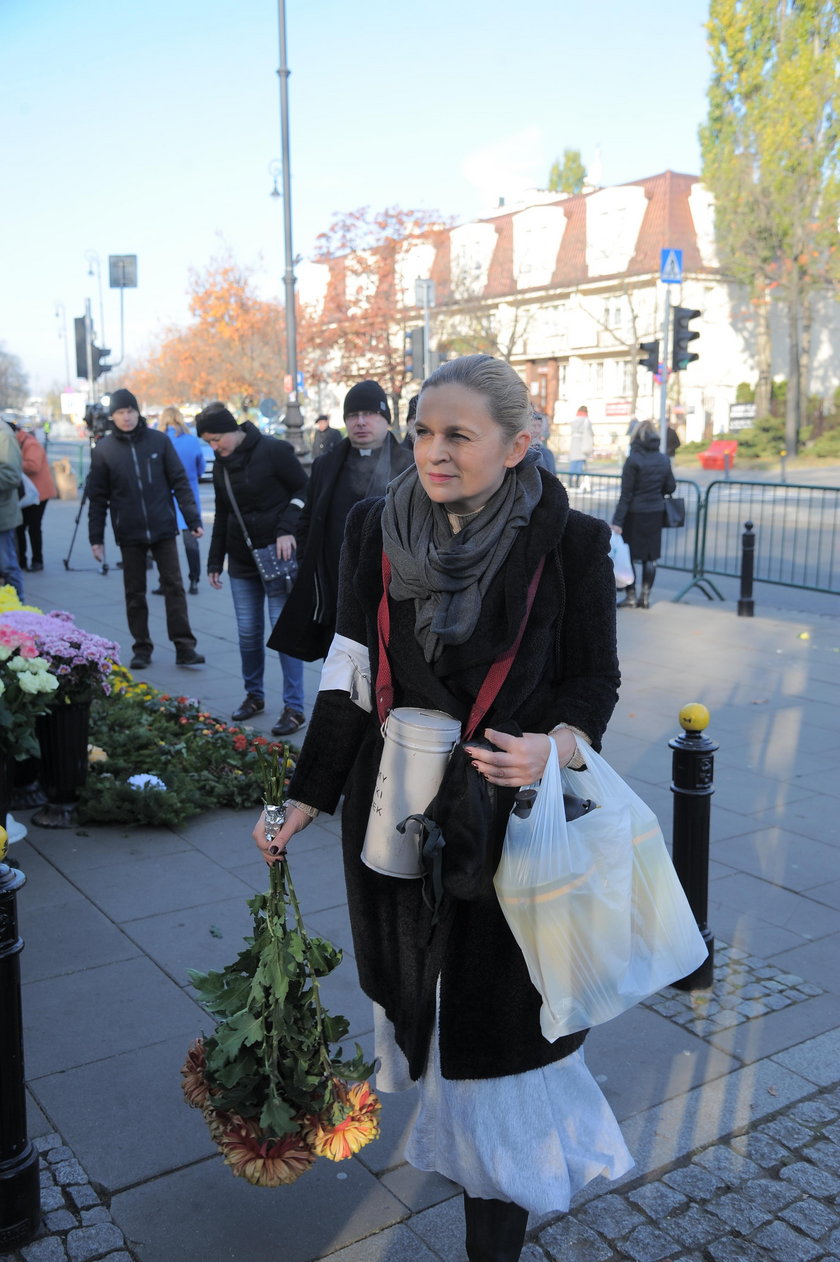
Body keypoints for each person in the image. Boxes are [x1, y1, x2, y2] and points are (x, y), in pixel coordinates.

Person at [253, 354, 631, 1262]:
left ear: (518, 445)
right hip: (396, 819)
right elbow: (346, 676)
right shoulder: (371, 529)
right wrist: (305, 796)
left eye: (458, 435)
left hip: (514, 834)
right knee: (425, 1027)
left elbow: (595, 682)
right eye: (423, 430)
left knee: (500, 1052)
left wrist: (554, 746)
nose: (432, 450)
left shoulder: (572, 543)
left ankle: (491, 1240)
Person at [268, 379, 413, 663]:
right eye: (352, 415)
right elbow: (308, 516)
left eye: (369, 414)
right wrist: (306, 557)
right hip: (333, 591)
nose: (360, 422)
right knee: (336, 675)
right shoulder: (327, 463)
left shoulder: (409, 464)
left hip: (388, 591)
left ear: (386, 419)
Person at [195, 403, 308, 735]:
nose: (215, 448)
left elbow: (305, 489)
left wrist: (287, 527)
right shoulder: (222, 467)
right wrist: (215, 560)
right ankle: (253, 696)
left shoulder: (274, 450)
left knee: (282, 632)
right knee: (248, 633)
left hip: (276, 557)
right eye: (209, 443)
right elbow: (223, 515)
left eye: (217, 440)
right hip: (242, 561)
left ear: (233, 429)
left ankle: (294, 707)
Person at [87, 388, 205, 670]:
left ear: (138, 412)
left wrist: (192, 520)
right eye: (120, 412)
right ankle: (142, 647)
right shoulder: (104, 450)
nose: (126, 417)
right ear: (112, 416)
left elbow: (180, 482)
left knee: (174, 587)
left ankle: (184, 647)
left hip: (163, 527)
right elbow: (97, 499)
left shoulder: (159, 441)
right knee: (135, 592)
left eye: (130, 411)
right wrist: (96, 538)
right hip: (129, 532)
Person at [611, 420, 676, 609]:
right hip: (655, 512)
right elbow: (670, 486)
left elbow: (626, 494)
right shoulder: (663, 459)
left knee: (628, 554)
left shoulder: (633, 460)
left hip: (635, 513)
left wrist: (617, 521)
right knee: (651, 556)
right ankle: (645, 597)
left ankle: (631, 595)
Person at [152, 406, 205, 595]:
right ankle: (194, 579)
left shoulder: (158, 441)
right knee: (191, 540)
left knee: (164, 543)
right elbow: (201, 467)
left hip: (165, 496)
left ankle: (165, 581)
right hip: (188, 495)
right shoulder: (192, 441)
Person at [14, 423, 56, 571]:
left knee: (34, 527)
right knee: (20, 527)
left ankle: (37, 561)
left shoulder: (30, 443)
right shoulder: (18, 443)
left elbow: (34, 466)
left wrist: (13, 460)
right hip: (27, 495)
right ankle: (21, 561)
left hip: (39, 494)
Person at [0, 419, 24, 599]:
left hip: (3, 516)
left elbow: (12, 476)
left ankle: (19, 613)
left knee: (7, 566)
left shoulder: (4, 435)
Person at [567, 404, 593, 488]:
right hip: (582, 444)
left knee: (573, 464)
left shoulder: (574, 420)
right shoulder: (586, 421)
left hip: (574, 444)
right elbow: (590, 433)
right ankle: (577, 482)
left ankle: (570, 481)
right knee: (580, 465)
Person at [528, 408, 556, 474]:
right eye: (534, 426)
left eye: (539, 426)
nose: (537, 430)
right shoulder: (523, 452)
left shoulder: (547, 453)